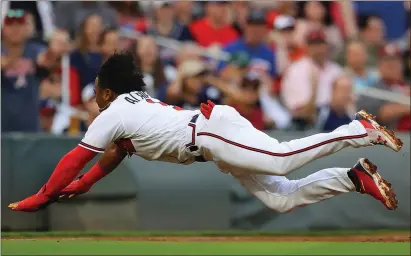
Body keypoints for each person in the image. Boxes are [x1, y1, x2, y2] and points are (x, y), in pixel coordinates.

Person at [9, 51, 403, 214]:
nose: (94, 97)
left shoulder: (111, 113)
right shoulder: (128, 111)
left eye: (97, 90)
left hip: (211, 132)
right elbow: (113, 153)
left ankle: (359, 129)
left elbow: (74, 157)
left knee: (281, 159)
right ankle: (353, 178)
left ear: (109, 92)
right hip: (213, 139)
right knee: (279, 199)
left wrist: (44, 196)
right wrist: (86, 184)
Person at [1, 9, 64, 132]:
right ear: (3, 29)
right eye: (10, 24)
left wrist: (54, 49)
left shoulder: (34, 49)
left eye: (19, 24)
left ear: (27, 28)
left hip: (29, 126)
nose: (15, 29)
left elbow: (47, 59)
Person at [281, 30, 342, 130]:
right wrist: (314, 88)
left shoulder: (335, 69)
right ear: (307, 47)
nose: (317, 49)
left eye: (320, 44)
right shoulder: (296, 70)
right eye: (313, 45)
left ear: (326, 46)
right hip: (305, 125)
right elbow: (300, 112)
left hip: (335, 118)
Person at [357, 44, 411, 132]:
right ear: (379, 65)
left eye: (395, 60)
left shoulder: (407, 85)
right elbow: (382, 114)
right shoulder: (371, 91)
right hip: (389, 140)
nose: (391, 64)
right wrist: (406, 108)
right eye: (387, 60)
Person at [70, 14, 104, 91]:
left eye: (98, 26)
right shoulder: (76, 55)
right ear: (84, 29)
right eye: (92, 26)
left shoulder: (107, 53)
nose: (95, 30)